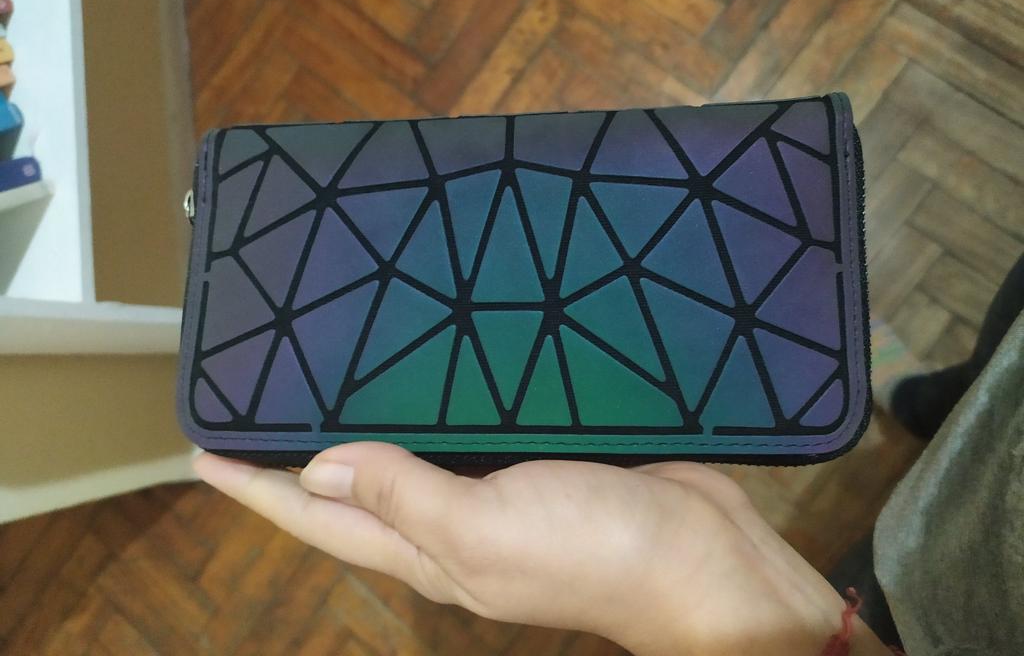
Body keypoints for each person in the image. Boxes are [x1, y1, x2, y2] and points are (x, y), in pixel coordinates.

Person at [194, 256, 1024, 655]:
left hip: (947, 617)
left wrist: (681, 573)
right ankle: (933, 399)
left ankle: (930, 400)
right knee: (989, 390)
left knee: (897, 577)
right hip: (974, 495)